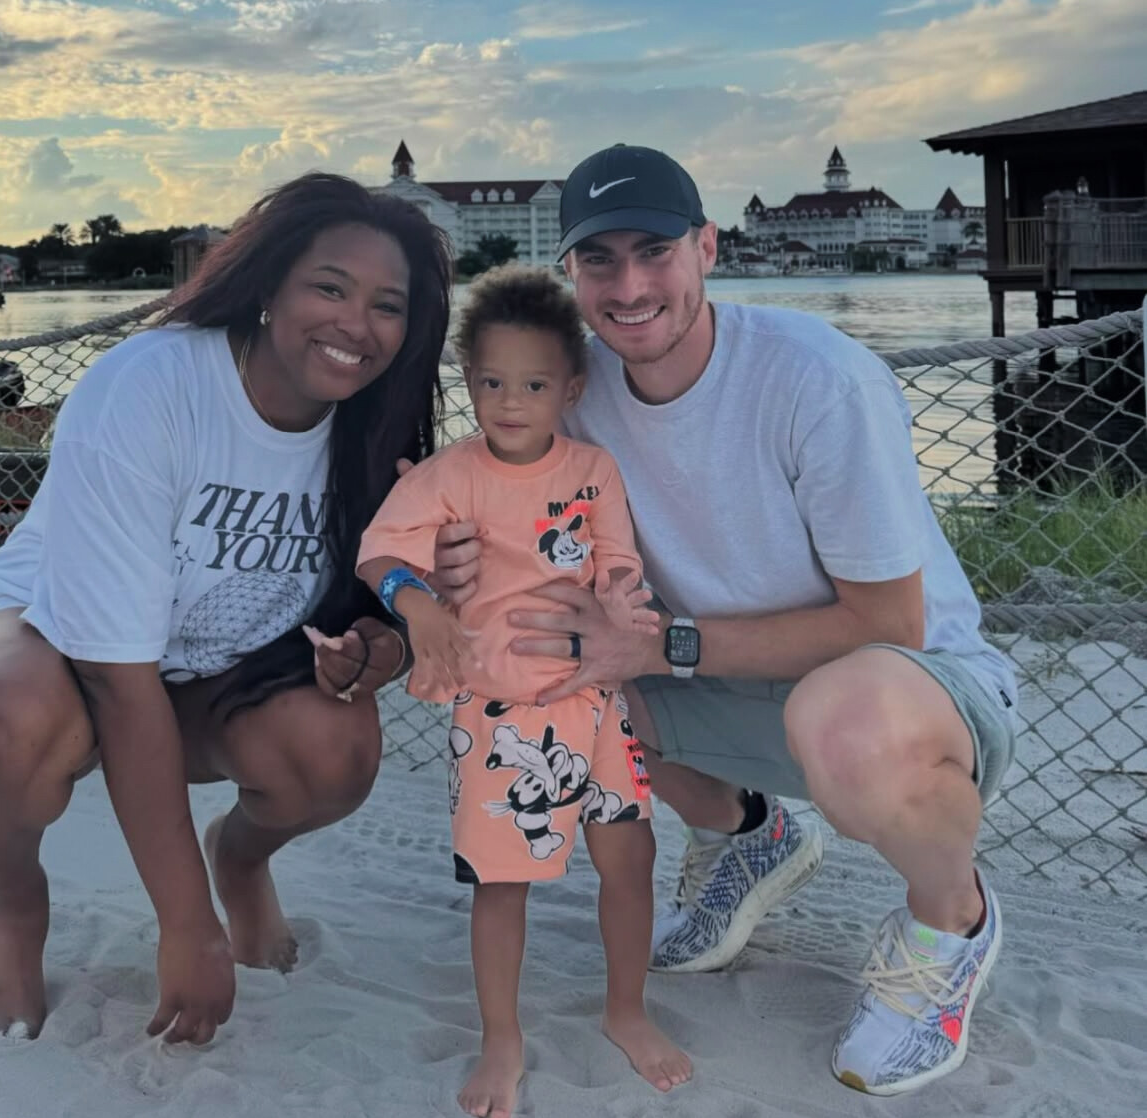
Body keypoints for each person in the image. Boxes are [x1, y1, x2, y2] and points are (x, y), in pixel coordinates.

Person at [424, 145, 1018, 1097]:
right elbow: (494, 500)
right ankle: (750, 836)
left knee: (839, 718)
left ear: (707, 247)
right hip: (732, 679)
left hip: (913, 688)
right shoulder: (576, 393)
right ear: (571, 272)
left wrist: (662, 644)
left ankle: (952, 923)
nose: (629, 287)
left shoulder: (816, 377)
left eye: (654, 252)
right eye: (600, 260)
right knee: (558, 666)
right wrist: (451, 557)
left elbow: (889, 621)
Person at [0, 172, 454, 1044]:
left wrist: (381, 646)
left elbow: (379, 609)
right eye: (329, 288)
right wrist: (186, 923)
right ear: (270, 285)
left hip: (214, 670)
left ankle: (239, 859)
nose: (357, 325)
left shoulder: (378, 426)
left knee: (334, 748)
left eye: (387, 305)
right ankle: (15, 905)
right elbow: (112, 673)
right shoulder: (150, 384)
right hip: (60, 648)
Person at [358, 265, 692, 1118]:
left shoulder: (593, 469)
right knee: (501, 883)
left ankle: (626, 1010)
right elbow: (380, 551)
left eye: (535, 385)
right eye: (493, 383)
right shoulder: (450, 476)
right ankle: (501, 1038)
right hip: (497, 712)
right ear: (469, 380)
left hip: (593, 701)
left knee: (632, 859)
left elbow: (617, 561)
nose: (511, 402)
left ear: (571, 389)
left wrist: (621, 601)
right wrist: (417, 605)